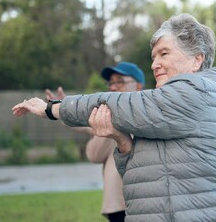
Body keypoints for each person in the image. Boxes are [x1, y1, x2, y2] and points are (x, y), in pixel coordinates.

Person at [12, 13, 216, 222]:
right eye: (153, 57)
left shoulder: (197, 92)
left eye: (164, 53)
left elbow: (117, 104)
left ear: (197, 59)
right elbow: (145, 178)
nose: (155, 64)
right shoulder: (168, 109)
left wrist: (52, 109)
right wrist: (123, 143)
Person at [45, 61, 145, 222]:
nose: (112, 87)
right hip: (115, 206)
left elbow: (94, 154)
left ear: (139, 86)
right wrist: (64, 109)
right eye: (111, 82)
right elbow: (86, 124)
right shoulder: (109, 114)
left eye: (119, 81)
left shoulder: (145, 115)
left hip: (137, 205)